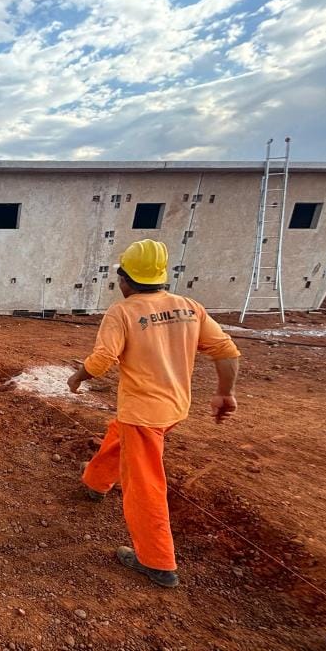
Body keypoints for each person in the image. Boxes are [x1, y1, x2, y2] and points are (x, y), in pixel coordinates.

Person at [67, 239, 241, 588]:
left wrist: (77, 377)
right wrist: (225, 392)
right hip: (174, 408)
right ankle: (95, 483)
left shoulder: (123, 311)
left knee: (144, 484)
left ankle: (157, 561)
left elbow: (102, 360)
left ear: (124, 279)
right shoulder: (189, 307)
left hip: (144, 412)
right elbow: (226, 350)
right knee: (120, 435)